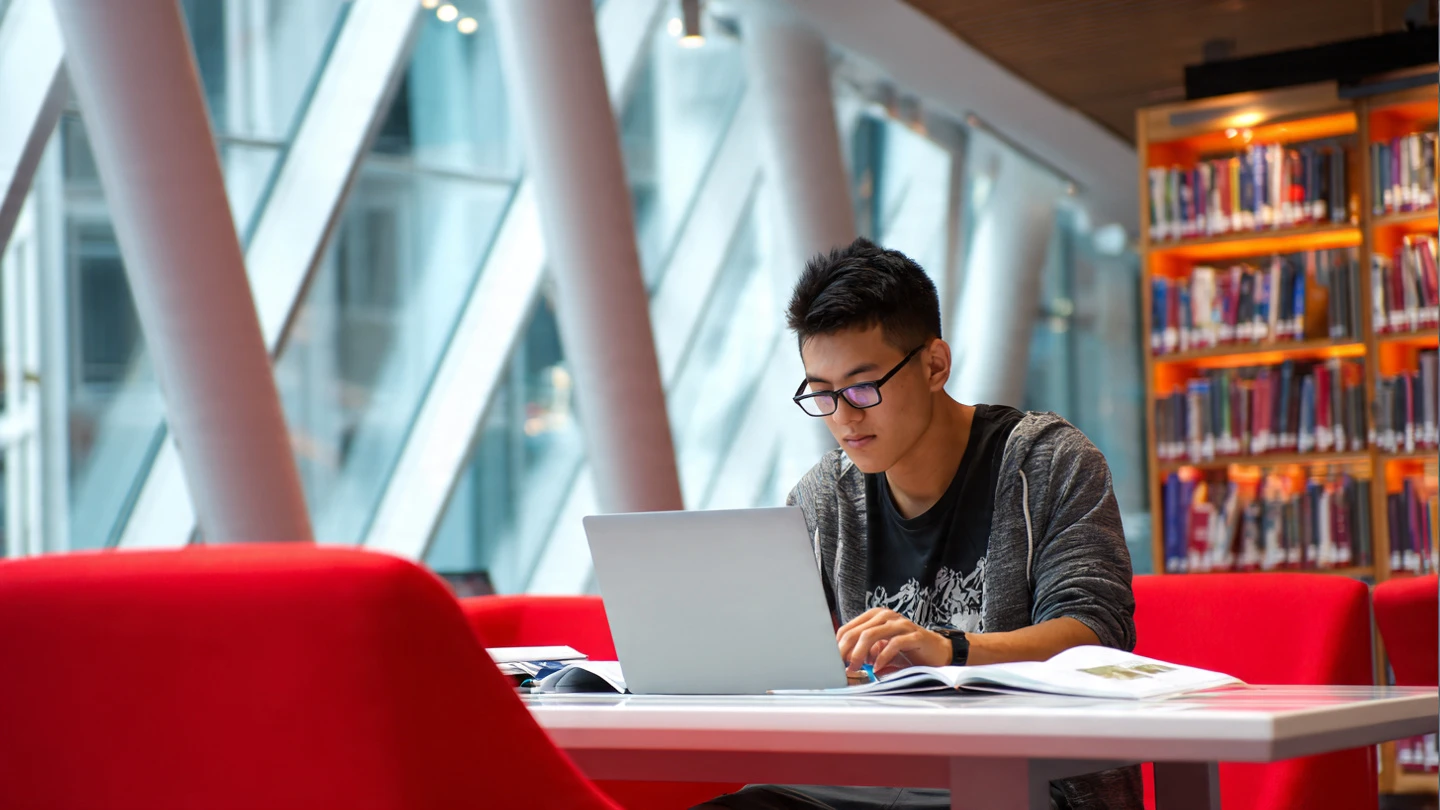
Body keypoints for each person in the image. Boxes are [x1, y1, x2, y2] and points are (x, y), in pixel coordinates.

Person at [697, 238, 1143, 810]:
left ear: (935, 364)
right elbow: (779, 653)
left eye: (863, 386)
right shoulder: (823, 499)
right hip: (870, 784)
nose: (845, 417)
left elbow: (1096, 636)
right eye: (823, 393)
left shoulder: (1049, 464)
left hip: (1030, 786)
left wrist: (950, 650)